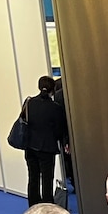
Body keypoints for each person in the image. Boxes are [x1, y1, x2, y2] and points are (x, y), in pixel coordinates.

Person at [20, 75, 68, 206]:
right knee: (47, 179)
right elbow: (59, 130)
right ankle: (47, 206)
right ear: (53, 89)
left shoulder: (29, 103)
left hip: (30, 146)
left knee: (33, 177)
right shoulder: (55, 107)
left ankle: (33, 206)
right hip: (47, 147)